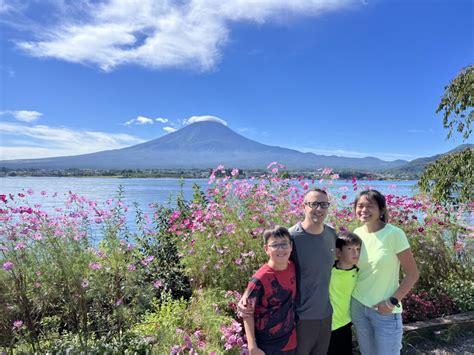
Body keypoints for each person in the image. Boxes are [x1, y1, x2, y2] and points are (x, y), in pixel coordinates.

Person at [240, 188, 337, 355]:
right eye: (313, 204)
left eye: (323, 204)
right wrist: (246, 296)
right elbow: (272, 265)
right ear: (304, 206)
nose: (319, 209)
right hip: (299, 319)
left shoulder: (331, 234)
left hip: (325, 315)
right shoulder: (292, 237)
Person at [350, 189, 419, 355]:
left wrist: (391, 303)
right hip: (358, 306)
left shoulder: (394, 234)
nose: (364, 210)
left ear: (381, 210)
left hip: (385, 311)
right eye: (360, 206)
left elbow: (412, 274)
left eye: (370, 206)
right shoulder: (356, 234)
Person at [242, 226, 297, 355]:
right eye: (275, 245)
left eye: (284, 244)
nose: (281, 249)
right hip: (267, 346)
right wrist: (252, 346)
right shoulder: (260, 279)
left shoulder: (293, 266)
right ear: (266, 249)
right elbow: (247, 313)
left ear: (291, 246)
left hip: (290, 341)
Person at [327, 232, 362, 355]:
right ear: (338, 252)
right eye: (350, 249)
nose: (355, 253)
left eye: (358, 249)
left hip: (346, 323)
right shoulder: (328, 269)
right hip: (327, 324)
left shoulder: (359, 273)